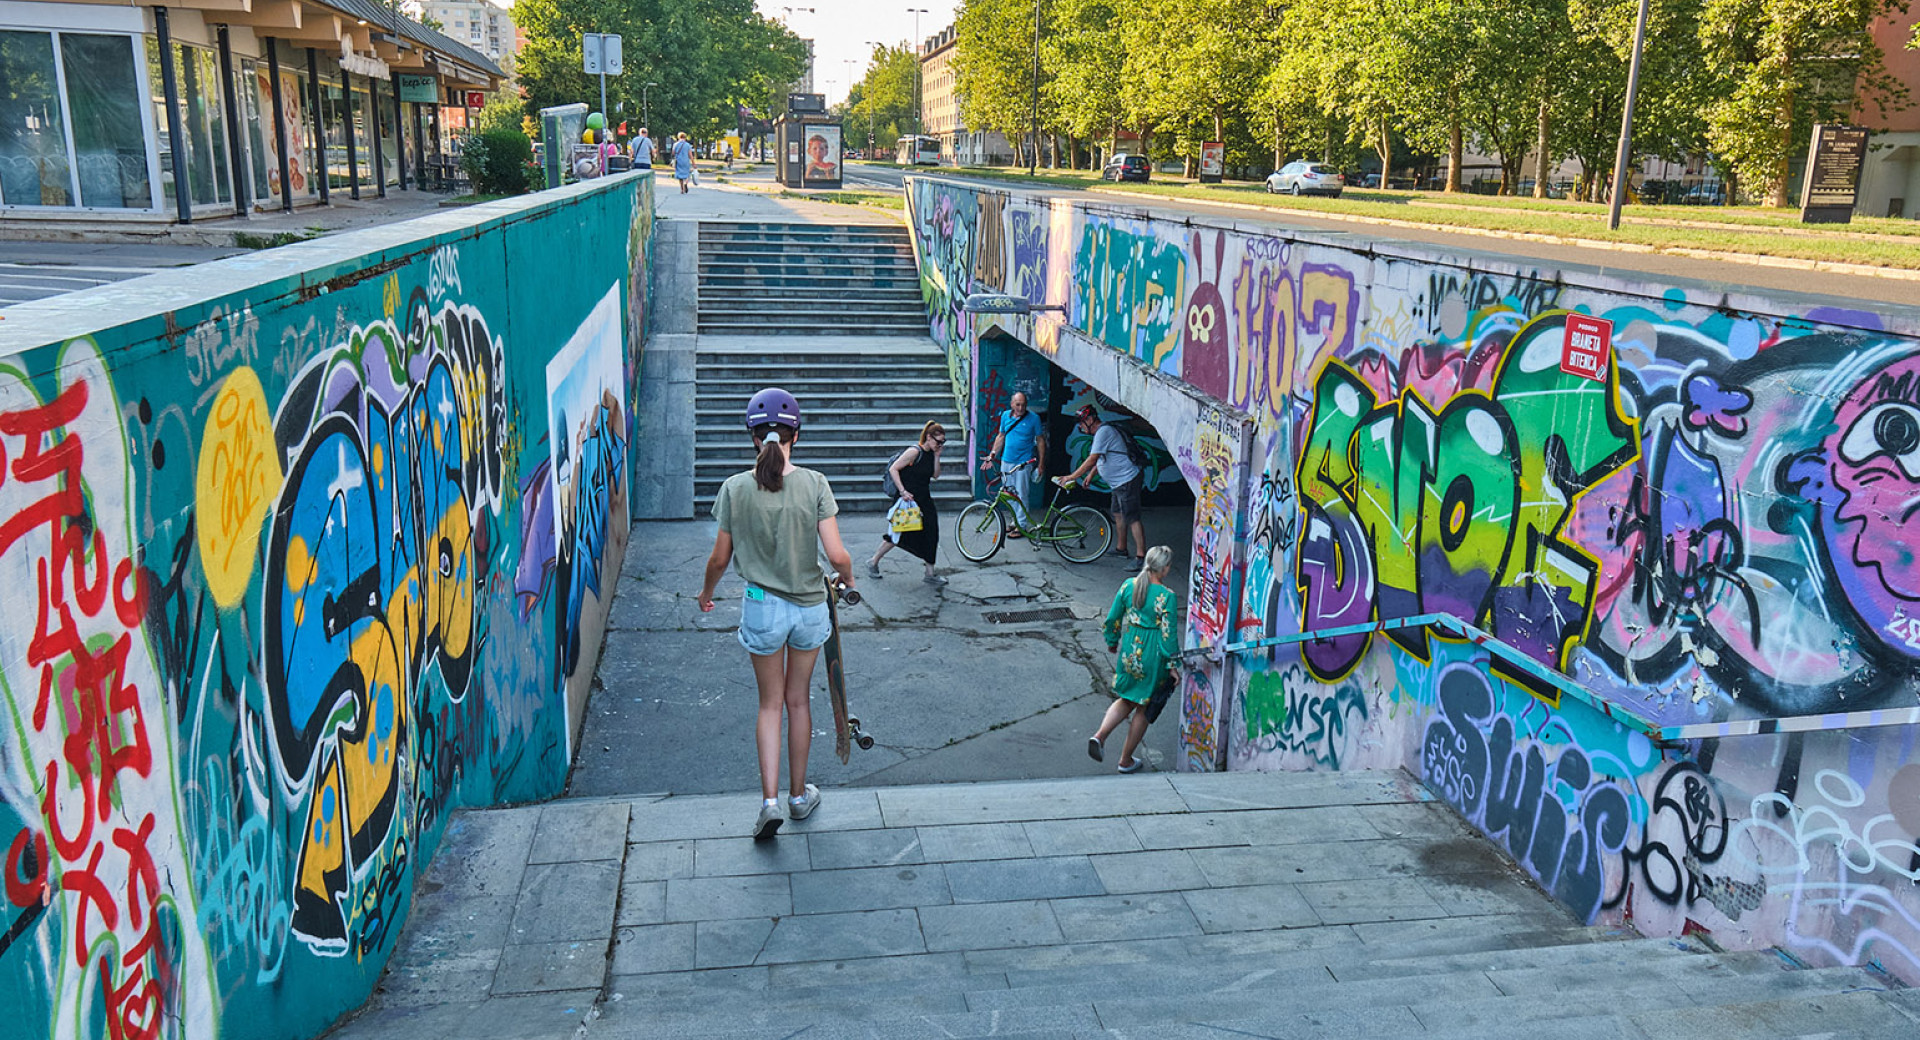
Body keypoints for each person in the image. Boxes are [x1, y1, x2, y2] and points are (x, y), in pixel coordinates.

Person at [699, 388, 855, 839]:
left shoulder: (734, 488)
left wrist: (706, 594)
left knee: (769, 704)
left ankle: (768, 802)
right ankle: (799, 797)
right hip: (808, 610)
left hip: (761, 608)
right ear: (796, 435)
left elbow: (718, 559)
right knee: (798, 701)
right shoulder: (815, 483)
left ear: (752, 436)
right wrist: (850, 582)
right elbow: (839, 555)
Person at [1087, 545, 1179, 773]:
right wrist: (1173, 666)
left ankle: (1100, 736)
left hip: (1130, 651)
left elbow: (1113, 618)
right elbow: (1168, 638)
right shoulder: (1167, 597)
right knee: (1144, 707)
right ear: (1165, 569)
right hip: (1152, 656)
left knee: (1126, 697)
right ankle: (1125, 760)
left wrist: (1112, 640)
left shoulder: (1128, 586)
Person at [1057, 405, 1146, 565]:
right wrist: (1091, 475)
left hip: (1127, 479)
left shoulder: (1103, 432)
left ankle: (1140, 556)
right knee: (1118, 513)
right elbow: (1102, 458)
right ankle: (1121, 548)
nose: (1080, 427)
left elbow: (1093, 458)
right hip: (1118, 482)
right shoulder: (1102, 433)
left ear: (1090, 420)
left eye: (1082, 423)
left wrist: (1072, 476)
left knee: (1132, 517)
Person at [868, 421, 948, 585]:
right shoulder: (914, 452)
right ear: (928, 437)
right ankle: (873, 561)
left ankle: (930, 573)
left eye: (942, 442)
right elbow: (894, 469)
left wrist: (938, 456)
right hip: (908, 499)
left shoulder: (932, 453)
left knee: (932, 532)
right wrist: (903, 491)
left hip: (924, 499)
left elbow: (936, 475)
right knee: (898, 534)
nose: (940, 445)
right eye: (938, 441)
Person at [978, 393, 1045, 536]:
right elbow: (1000, 436)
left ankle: (1021, 526)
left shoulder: (1034, 418)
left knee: (1022, 494)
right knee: (1009, 493)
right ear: (1011, 404)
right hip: (1006, 460)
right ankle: (1015, 521)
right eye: (1018, 404)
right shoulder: (1005, 416)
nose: (1021, 408)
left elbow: (1040, 440)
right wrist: (992, 455)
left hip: (1023, 462)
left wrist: (1041, 463)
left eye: (1023, 404)